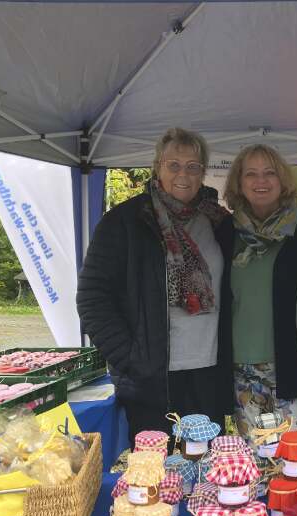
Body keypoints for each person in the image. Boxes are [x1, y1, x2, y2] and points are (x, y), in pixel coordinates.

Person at [77, 127, 233, 442]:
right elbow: (93, 298)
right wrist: (131, 358)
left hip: (208, 374)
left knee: (205, 469)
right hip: (152, 379)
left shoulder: (220, 222)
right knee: (155, 476)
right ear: (157, 167)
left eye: (193, 166)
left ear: (203, 172)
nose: (183, 174)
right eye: (173, 165)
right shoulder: (125, 221)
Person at [222, 144, 297, 442]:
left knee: (293, 458)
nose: (261, 181)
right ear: (239, 184)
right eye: (251, 174)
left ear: (283, 180)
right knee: (254, 459)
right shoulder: (226, 230)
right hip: (241, 369)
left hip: (294, 365)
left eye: (270, 173)